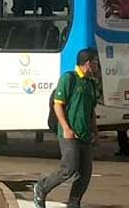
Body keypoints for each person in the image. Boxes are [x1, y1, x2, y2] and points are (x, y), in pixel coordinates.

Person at [33, 49, 100, 208]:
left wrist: (95, 133)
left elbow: (91, 111)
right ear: (88, 63)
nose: (98, 66)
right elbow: (58, 105)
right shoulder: (69, 78)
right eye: (96, 62)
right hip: (68, 133)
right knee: (68, 169)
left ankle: (73, 203)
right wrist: (66, 129)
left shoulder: (91, 83)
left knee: (85, 174)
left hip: (85, 134)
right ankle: (41, 188)